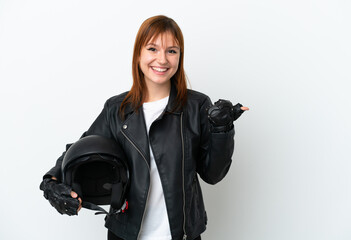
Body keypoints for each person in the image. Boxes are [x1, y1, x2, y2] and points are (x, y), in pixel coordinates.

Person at [39, 15, 249, 240]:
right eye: (152, 49)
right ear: (139, 54)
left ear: (179, 57)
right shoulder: (116, 109)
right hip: (125, 233)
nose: (162, 59)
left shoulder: (197, 106)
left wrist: (222, 130)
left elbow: (213, 174)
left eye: (172, 51)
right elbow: (80, 149)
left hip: (182, 234)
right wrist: (51, 182)